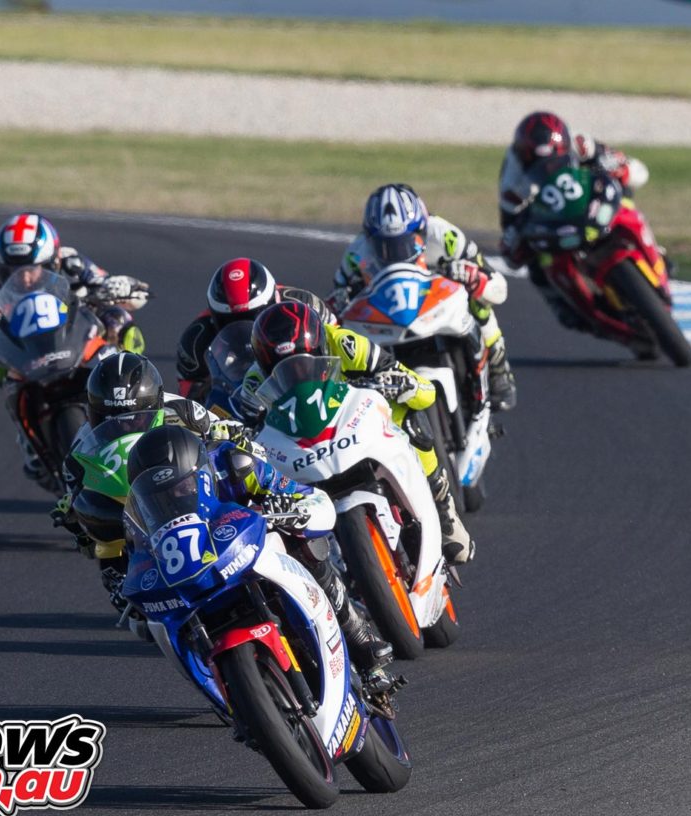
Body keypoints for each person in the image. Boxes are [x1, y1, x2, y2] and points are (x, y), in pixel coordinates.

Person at [124, 424, 394, 675]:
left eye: (184, 484)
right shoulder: (141, 515)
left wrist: (296, 510)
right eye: (162, 493)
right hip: (205, 574)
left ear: (201, 469)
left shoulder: (234, 464)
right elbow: (137, 555)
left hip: (258, 545)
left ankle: (358, 635)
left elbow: (308, 496)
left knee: (305, 544)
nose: (176, 495)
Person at [248, 301, 475, 568]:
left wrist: (401, 383)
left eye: (303, 363)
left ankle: (442, 503)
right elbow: (241, 430)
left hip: (352, 420)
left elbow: (425, 391)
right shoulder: (252, 383)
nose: (297, 373)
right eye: (284, 368)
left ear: (320, 345)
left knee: (408, 412)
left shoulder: (346, 345)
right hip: (300, 447)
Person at [0, 211, 153, 482]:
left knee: (118, 319)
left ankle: (138, 390)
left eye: (32, 268)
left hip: (80, 327)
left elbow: (123, 289)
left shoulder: (74, 264)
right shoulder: (4, 291)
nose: (23, 278)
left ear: (52, 260)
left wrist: (115, 287)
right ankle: (28, 439)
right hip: (39, 347)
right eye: (12, 270)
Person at [52, 352, 256, 610]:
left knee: (237, 469)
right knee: (97, 523)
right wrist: (74, 516)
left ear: (154, 404)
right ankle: (123, 586)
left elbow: (227, 430)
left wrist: (229, 433)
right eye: (109, 418)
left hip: (186, 483)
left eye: (135, 417)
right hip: (135, 505)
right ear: (93, 412)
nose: (125, 427)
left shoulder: (184, 410)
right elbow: (81, 510)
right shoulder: (79, 451)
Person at [330, 183, 516, 412]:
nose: (397, 251)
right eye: (385, 245)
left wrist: (472, 276)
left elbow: (498, 286)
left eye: (407, 241)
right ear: (370, 238)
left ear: (422, 229)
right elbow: (337, 302)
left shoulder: (447, 237)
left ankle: (498, 365)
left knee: (479, 301)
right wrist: (339, 299)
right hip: (390, 316)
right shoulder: (356, 254)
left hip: (439, 300)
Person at [498, 111, 652, 332]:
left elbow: (634, 168)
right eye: (539, 162)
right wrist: (515, 238)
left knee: (626, 188)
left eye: (553, 160)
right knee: (536, 266)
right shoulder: (513, 178)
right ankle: (565, 307)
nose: (547, 166)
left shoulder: (579, 143)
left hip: (589, 199)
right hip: (554, 221)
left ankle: (652, 249)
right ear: (525, 155)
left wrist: (619, 165)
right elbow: (510, 225)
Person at [176, 257, 336, 403]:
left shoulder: (305, 305)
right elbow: (188, 402)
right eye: (229, 320)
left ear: (274, 300)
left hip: (306, 381)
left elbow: (337, 340)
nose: (242, 328)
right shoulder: (195, 340)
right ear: (214, 315)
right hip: (243, 403)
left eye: (254, 316)